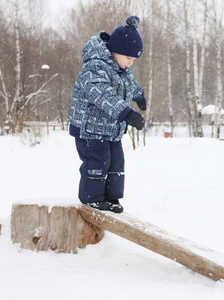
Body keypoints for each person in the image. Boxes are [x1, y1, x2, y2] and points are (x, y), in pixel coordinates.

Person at [69, 16, 146, 213]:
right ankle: (92, 198)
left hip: (111, 130)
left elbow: (131, 84)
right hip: (90, 130)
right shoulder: (95, 67)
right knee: (97, 162)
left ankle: (111, 198)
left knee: (116, 163)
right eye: (128, 57)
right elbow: (103, 94)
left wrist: (139, 95)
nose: (130, 63)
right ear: (115, 51)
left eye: (133, 60)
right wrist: (126, 111)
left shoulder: (122, 69)